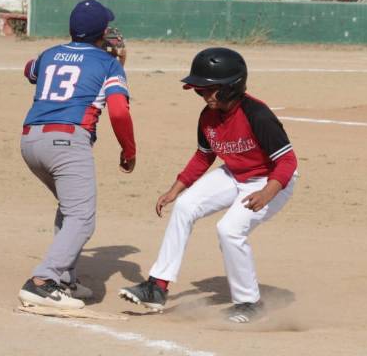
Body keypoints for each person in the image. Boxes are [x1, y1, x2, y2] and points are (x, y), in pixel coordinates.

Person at [118, 47, 298, 324]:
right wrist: (175, 189)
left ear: (230, 88)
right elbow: (204, 156)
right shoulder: (208, 116)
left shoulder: (257, 115)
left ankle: (249, 302)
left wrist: (267, 192)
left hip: (271, 180)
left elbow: (287, 161)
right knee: (185, 206)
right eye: (199, 90)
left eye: (207, 89)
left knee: (229, 230)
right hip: (236, 173)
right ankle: (157, 287)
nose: (202, 95)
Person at [18, 0, 137, 310]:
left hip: (31, 140)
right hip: (67, 142)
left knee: (71, 208)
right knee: (82, 218)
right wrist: (129, 149)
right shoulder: (108, 63)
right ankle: (43, 281)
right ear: (101, 32)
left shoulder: (49, 54)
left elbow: (29, 70)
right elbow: (120, 112)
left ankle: (66, 278)